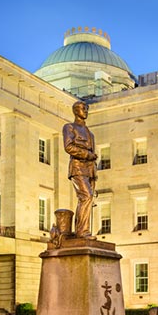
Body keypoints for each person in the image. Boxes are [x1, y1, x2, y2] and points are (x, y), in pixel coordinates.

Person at [62, 101, 97, 238]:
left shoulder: (91, 134)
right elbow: (68, 147)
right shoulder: (69, 127)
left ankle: (83, 230)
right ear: (76, 111)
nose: (86, 111)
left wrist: (94, 172)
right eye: (83, 109)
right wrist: (87, 154)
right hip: (77, 167)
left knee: (88, 198)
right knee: (86, 196)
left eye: (87, 109)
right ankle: (82, 232)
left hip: (90, 169)